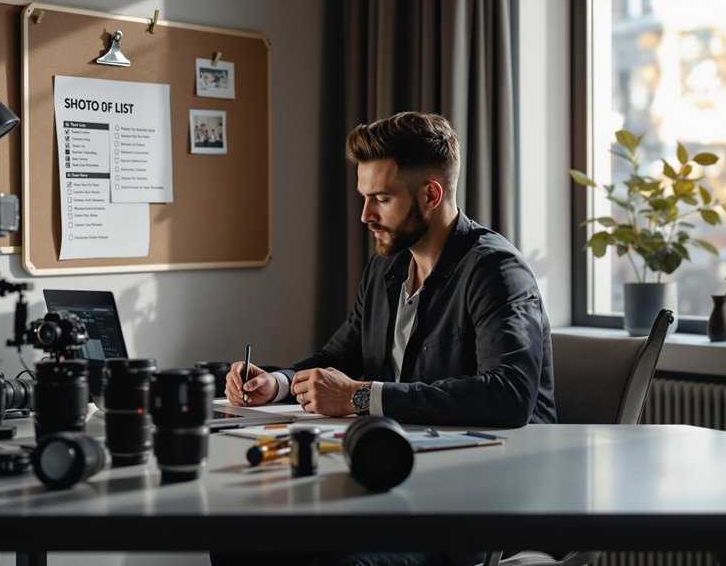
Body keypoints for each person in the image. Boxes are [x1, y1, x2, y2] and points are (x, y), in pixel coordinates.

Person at [218, 112, 556, 566]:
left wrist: (359, 397)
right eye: (364, 197)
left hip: (475, 503)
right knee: (237, 539)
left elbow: (509, 396)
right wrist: (277, 384)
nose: (365, 215)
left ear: (431, 195)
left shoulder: (496, 271)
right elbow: (345, 353)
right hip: (397, 485)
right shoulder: (386, 264)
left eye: (380, 198)